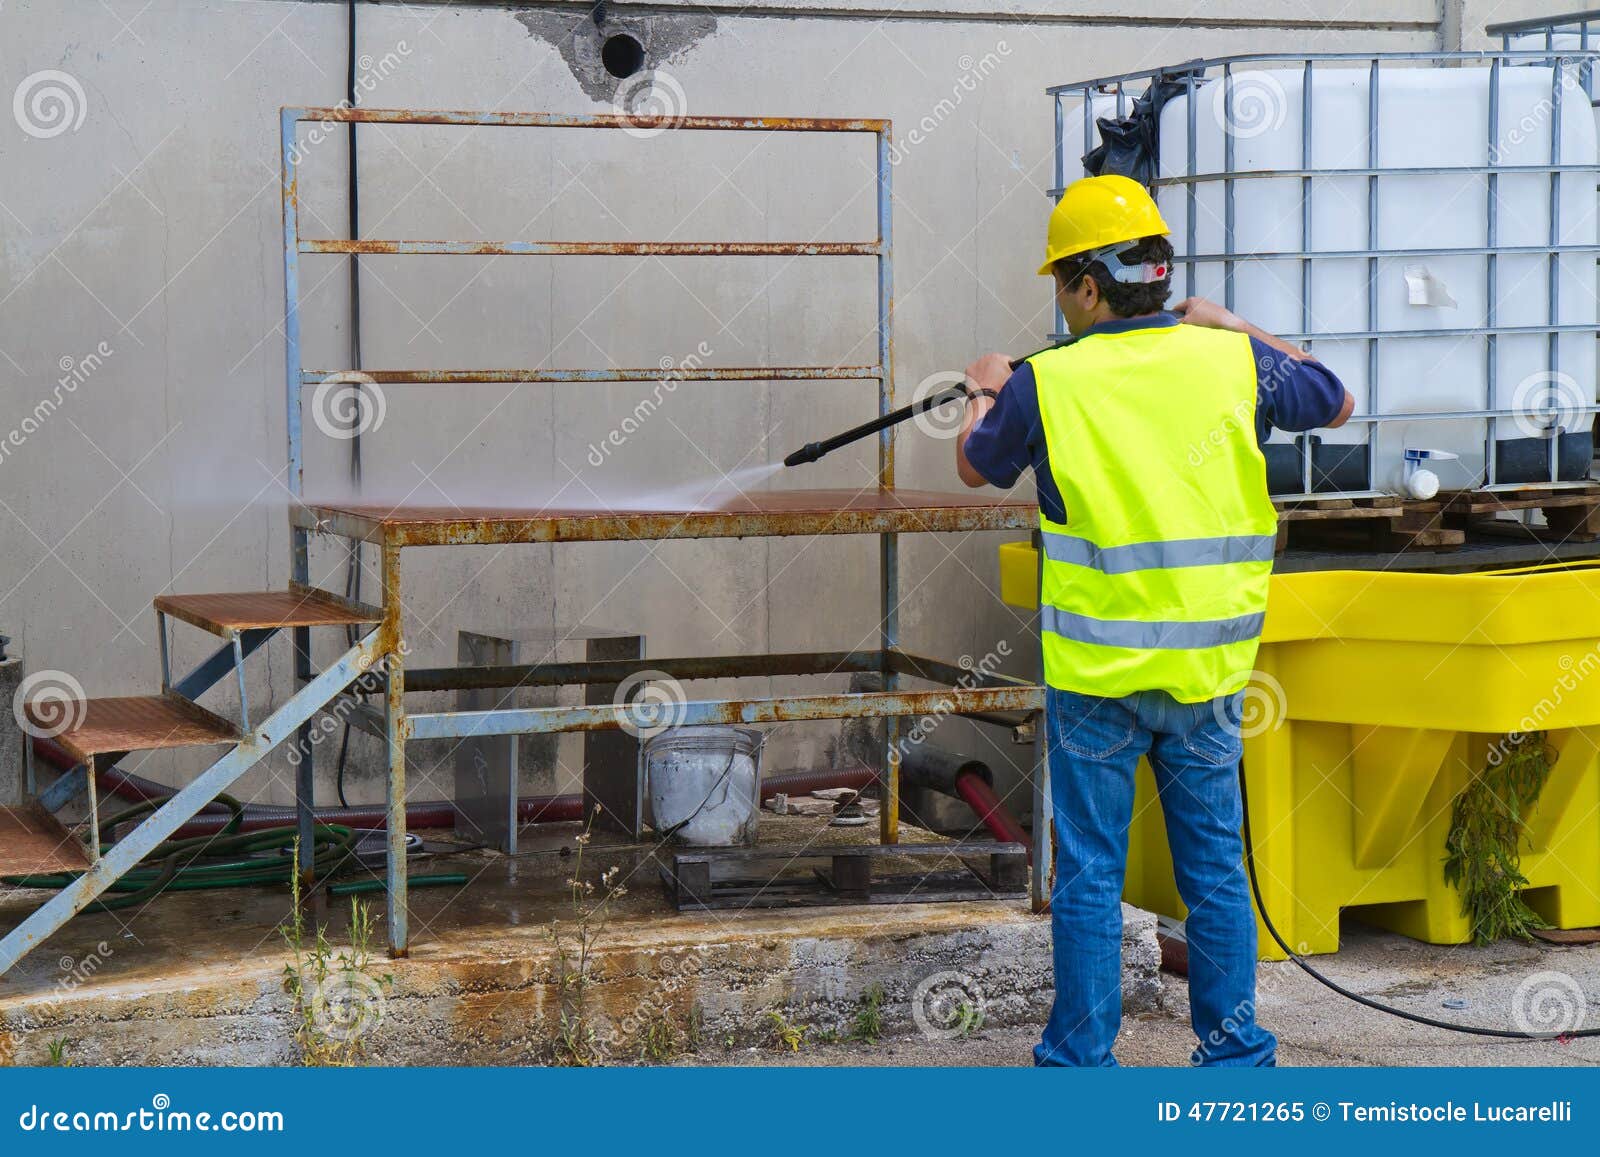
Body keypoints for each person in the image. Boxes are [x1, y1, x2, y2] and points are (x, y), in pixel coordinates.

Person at [955, 174, 1353, 1067]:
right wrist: (1236, 326)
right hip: (1208, 676)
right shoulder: (1231, 362)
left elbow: (978, 466)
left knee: (1091, 870)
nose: (1058, 300)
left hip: (1098, 679)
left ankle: (1083, 1064)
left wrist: (984, 387)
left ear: (1090, 286)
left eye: (1061, 281)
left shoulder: (1043, 385)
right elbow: (1333, 398)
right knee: (1212, 866)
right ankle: (1234, 1055)